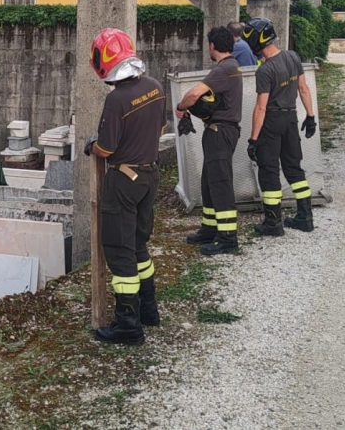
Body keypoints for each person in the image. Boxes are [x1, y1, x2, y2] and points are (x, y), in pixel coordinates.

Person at [84, 28, 166, 345]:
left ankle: (128, 325)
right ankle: (149, 309)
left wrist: (92, 146)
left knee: (120, 252)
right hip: (149, 175)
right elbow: (160, 127)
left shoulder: (116, 99)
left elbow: (106, 148)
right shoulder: (155, 87)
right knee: (138, 245)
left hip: (123, 181)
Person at [242, 17, 317, 235]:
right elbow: (304, 89)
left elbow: (261, 108)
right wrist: (310, 116)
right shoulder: (293, 56)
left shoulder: (265, 70)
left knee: (269, 171)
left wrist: (253, 139)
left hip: (272, 122)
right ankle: (305, 217)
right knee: (294, 168)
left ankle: (273, 223)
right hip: (291, 119)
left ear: (255, 41)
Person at [175, 26, 244, 255]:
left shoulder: (224, 69)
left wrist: (181, 106)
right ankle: (210, 229)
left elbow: (194, 94)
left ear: (212, 46)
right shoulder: (232, 67)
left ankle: (228, 239)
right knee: (209, 182)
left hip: (220, 132)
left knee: (220, 183)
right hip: (220, 131)